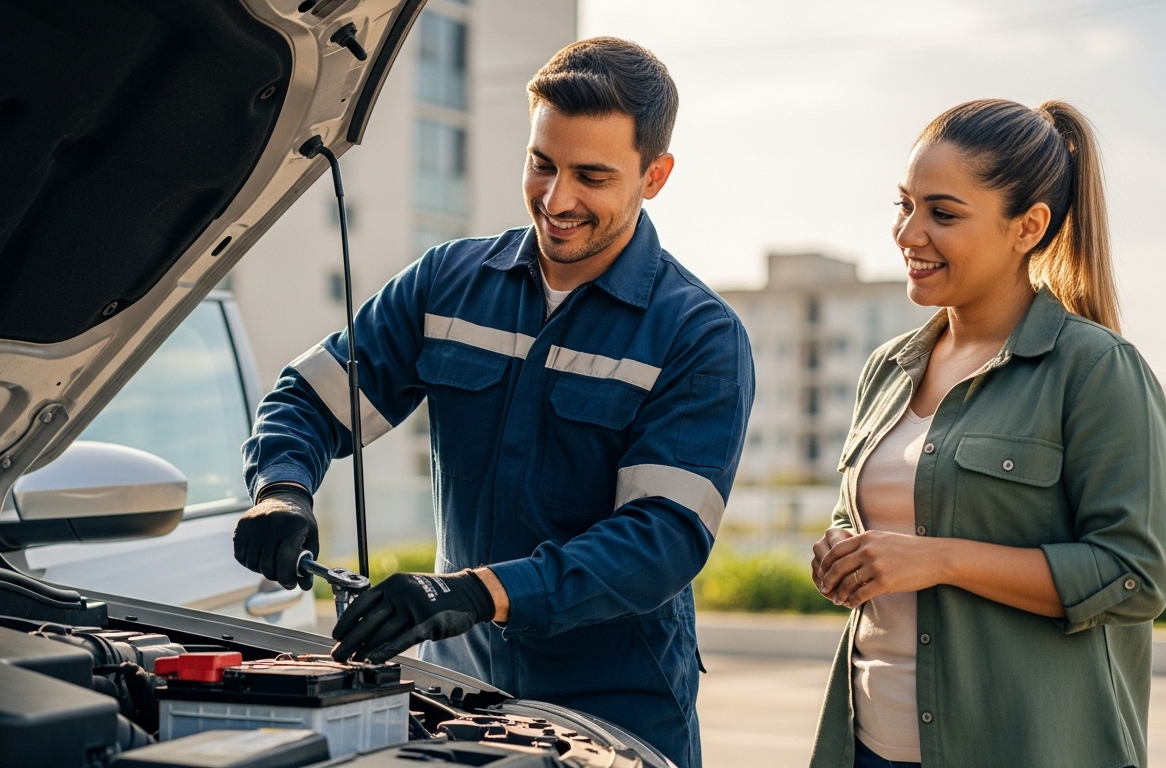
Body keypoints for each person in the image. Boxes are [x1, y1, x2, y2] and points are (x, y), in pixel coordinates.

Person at [234, 38, 753, 768]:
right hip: (459, 697)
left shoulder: (698, 336)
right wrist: (281, 491)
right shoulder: (448, 282)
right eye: (542, 164)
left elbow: (658, 542)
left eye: (593, 176)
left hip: (615, 718)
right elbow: (310, 402)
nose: (557, 199)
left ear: (655, 175)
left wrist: (475, 592)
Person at [807, 98, 1166, 768]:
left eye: (942, 213)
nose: (909, 233)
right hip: (866, 746)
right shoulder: (886, 369)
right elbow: (870, 516)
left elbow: (1136, 575)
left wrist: (940, 559)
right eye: (904, 204)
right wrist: (845, 555)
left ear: (1027, 227)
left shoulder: (1095, 370)